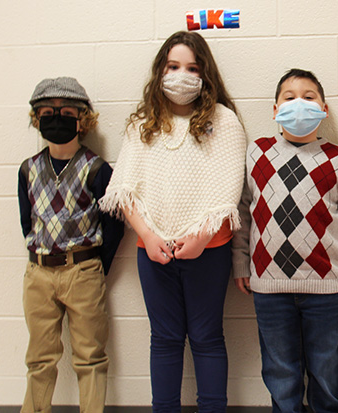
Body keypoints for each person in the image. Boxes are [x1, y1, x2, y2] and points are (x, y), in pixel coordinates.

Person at [100, 31, 246, 412]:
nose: (182, 75)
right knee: (164, 338)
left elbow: (228, 189)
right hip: (153, 250)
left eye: (192, 68)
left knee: (206, 336)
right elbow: (124, 189)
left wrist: (199, 237)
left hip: (208, 249)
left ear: (205, 74)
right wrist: (147, 235)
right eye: (173, 66)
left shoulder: (224, 121)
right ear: (160, 71)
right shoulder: (143, 123)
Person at [232, 68, 338, 413]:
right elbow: (243, 213)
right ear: (275, 109)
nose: (299, 104)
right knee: (280, 372)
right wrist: (240, 261)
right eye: (289, 97)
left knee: (326, 369)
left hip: (328, 286)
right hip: (268, 285)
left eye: (308, 97)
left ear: (323, 108)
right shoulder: (256, 153)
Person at [19, 76, 124, 413]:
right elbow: (27, 220)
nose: (56, 117)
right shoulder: (28, 170)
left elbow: (113, 226)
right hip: (39, 273)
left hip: (83, 270)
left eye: (66, 111)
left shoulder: (96, 169)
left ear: (83, 120)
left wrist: (93, 266)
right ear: (37, 118)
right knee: (39, 357)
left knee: (90, 356)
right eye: (47, 111)